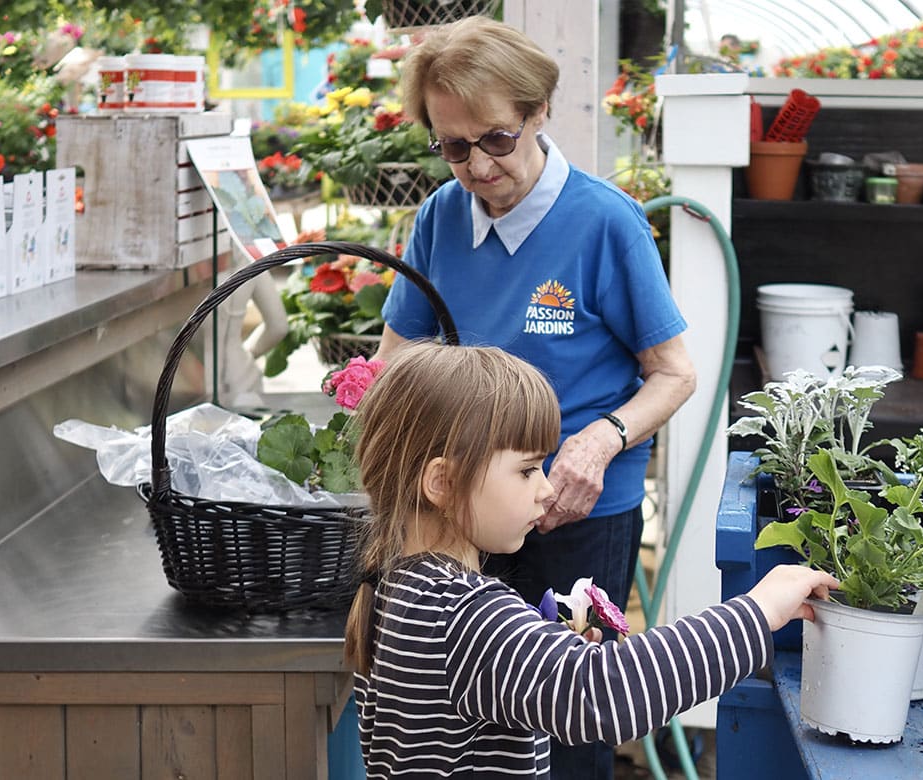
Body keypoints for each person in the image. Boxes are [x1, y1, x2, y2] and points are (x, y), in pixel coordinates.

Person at [375, 20, 697, 775]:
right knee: (473, 728)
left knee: (574, 722)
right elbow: (397, 357)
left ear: (539, 111)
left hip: (575, 509)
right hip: (464, 514)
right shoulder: (440, 217)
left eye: (496, 139)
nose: (479, 167)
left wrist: (601, 440)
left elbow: (675, 373)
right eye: (454, 147)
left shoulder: (603, 221)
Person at [345, 342, 838, 779]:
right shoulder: (464, 613)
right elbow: (604, 693)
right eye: (526, 470)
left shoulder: (393, 588)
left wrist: (548, 653)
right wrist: (756, 613)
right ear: (443, 482)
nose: (546, 489)